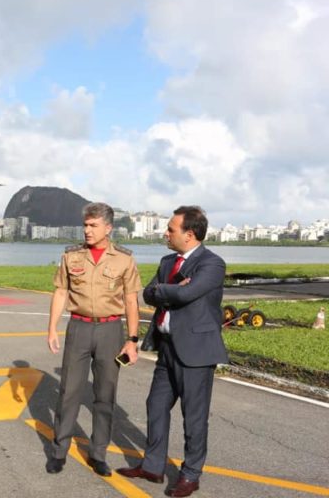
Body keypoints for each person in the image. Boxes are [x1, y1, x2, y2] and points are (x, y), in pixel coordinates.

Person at [116, 205, 227, 498]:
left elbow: (188, 294)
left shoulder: (212, 264)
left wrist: (169, 289)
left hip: (196, 353)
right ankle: (152, 466)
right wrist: (173, 287)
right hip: (166, 350)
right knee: (155, 406)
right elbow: (148, 293)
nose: (165, 233)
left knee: (193, 417)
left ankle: (191, 475)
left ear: (189, 235)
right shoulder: (168, 261)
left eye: (170, 229)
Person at [46, 202, 142, 477]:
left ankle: (98, 453)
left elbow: (131, 300)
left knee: (105, 394)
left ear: (108, 228)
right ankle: (58, 451)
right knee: (68, 392)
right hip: (79, 327)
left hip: (111, 331)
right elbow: (61, 292)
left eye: (93, 225)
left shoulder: (124, 259)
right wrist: (52, 328)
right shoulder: (72, 256)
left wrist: (132, 340)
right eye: (85, 225)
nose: (87, 230)